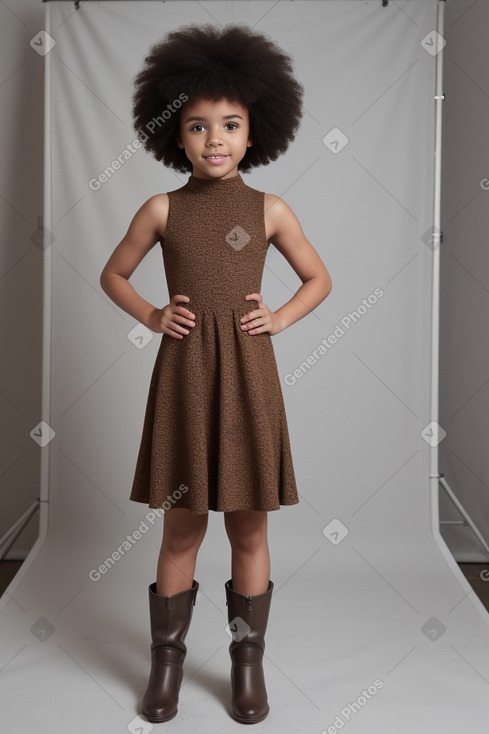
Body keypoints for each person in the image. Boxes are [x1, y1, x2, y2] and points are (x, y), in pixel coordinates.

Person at [100, 23, 332, 725]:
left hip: (248, 379)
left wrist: (282, 318)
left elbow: (318, 278)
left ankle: (244, 665)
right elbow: (113, 273)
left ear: (255, 128)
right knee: (180, 529)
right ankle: (165, 667)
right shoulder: (162, 209)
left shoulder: (270, 211)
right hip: (184, 378)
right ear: (173, 133)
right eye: (197, 127)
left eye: (229, 125)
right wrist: (149, 314)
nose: (214, 140)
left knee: (250, 530)